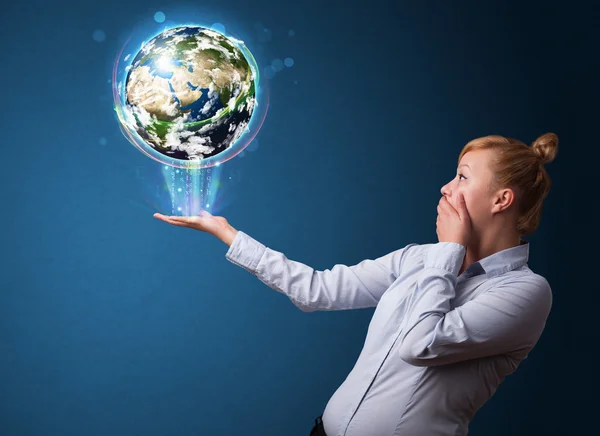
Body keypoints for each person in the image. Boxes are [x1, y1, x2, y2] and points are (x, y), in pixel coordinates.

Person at [153, 132, 558, 436]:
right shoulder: (416, 258)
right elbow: (318, 290)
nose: (446, 187)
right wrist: (228, 234)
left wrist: (448, 250)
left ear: (501, 200)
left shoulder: (525, 292)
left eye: (461, 177)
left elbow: (421, 344)